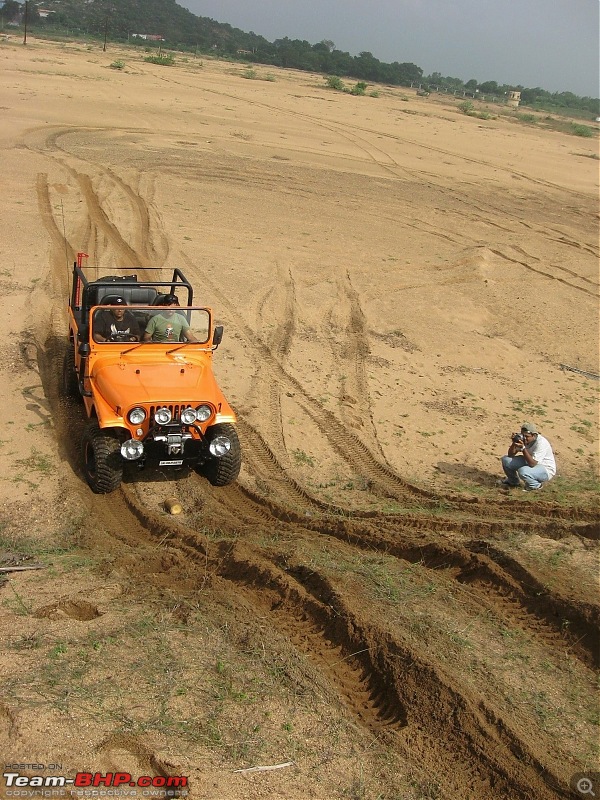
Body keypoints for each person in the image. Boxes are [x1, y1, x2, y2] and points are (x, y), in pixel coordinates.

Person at [500, 422, 556, 491]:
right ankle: (513, 482)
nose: (525, 438)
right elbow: (511, 455)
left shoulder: (541, 443)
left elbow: (532, 463)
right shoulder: (524, 440)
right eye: (523, 436)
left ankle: (535, 486)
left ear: (534, 435)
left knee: (523, 471)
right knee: (506, 460)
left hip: (545, 469)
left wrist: (523, 448)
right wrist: (514, 443)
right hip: (530, 462)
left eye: (527, 436)